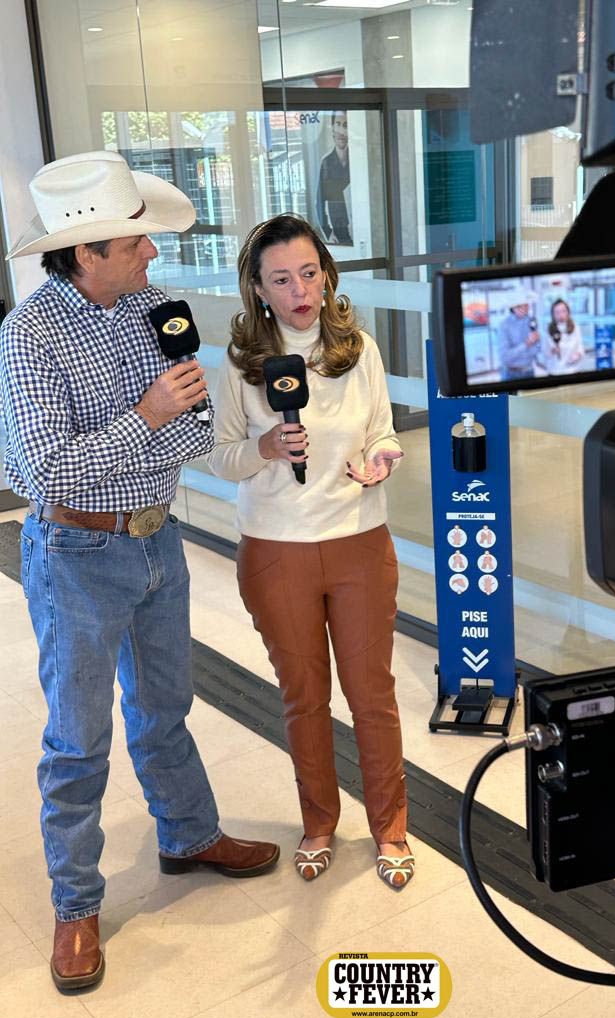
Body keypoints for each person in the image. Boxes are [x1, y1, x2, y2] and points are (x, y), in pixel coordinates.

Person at [0, 151, 280, 993]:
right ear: (85, 253)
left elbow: (193, 431)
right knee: (77, 738)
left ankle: (188, 835)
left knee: (165, 707)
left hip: (159, 540)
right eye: (135, 243)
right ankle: (76, 904)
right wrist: (145, 415)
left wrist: (173, 424)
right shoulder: (28, 335)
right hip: (76, 554)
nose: (153, 253)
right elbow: (48, 473)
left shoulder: (157, 309)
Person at [208, 213, 414, 890]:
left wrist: (383, 458)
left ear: (326, 274)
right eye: (281, 279)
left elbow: (383, 431)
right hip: (276, 552)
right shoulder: (242, 366)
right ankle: (319, 824)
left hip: (360, 544)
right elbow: (221, 457)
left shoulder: (359, 349)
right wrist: (266, 447)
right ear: (258, 289)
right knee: (304, 699)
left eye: (308, 273)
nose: (299, 291)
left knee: (373, 696)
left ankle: (391, 828)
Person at [316, 111, 352, 245]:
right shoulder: (326, 163)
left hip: (359, 231)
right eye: (338, 124)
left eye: (345, 125)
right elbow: (319, 202)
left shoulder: (357, 161)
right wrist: (328, 232)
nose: (341, 131)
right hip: (337, 235)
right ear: (332, 130)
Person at [496, 285, 540, 380]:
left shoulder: (532, 321)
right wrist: (526, 344)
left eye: (526, 305)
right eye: (520, 306)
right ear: (513, 307)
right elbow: (504, 357)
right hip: (510, 374)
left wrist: (537, 342)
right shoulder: (504, 325)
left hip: (529, 371)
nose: (524, 308)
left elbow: (537, 348)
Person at [543, 298, 585, 375]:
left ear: (568, 312)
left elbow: (580, 346)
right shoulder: (548, 329)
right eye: (557, 312)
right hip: (555, 371)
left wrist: (578, 354)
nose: (561, 315)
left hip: (573, 370)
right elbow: (545, 352)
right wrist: (553, 351)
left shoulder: (575, 327)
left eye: (563, 311)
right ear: (553, 314)